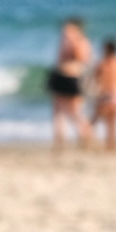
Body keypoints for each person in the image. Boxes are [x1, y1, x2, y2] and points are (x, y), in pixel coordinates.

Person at [48, 18, 94, 149]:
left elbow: (83, 62)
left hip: (73, 78)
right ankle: (59, 140)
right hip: (61, 77)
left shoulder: (81, 42)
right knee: (58, 109)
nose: (65, 32)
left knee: (74, 111)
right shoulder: (65, 42)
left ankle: (85, 135)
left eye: (69, 29)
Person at [91, 38, 116, 151]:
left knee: (94, 120)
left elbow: (96, 81)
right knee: (113, 124)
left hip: (106, 95)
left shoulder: (102, 63)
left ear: (107, 49)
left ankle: (88, 143)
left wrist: (95, 96)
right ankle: (113, 147)